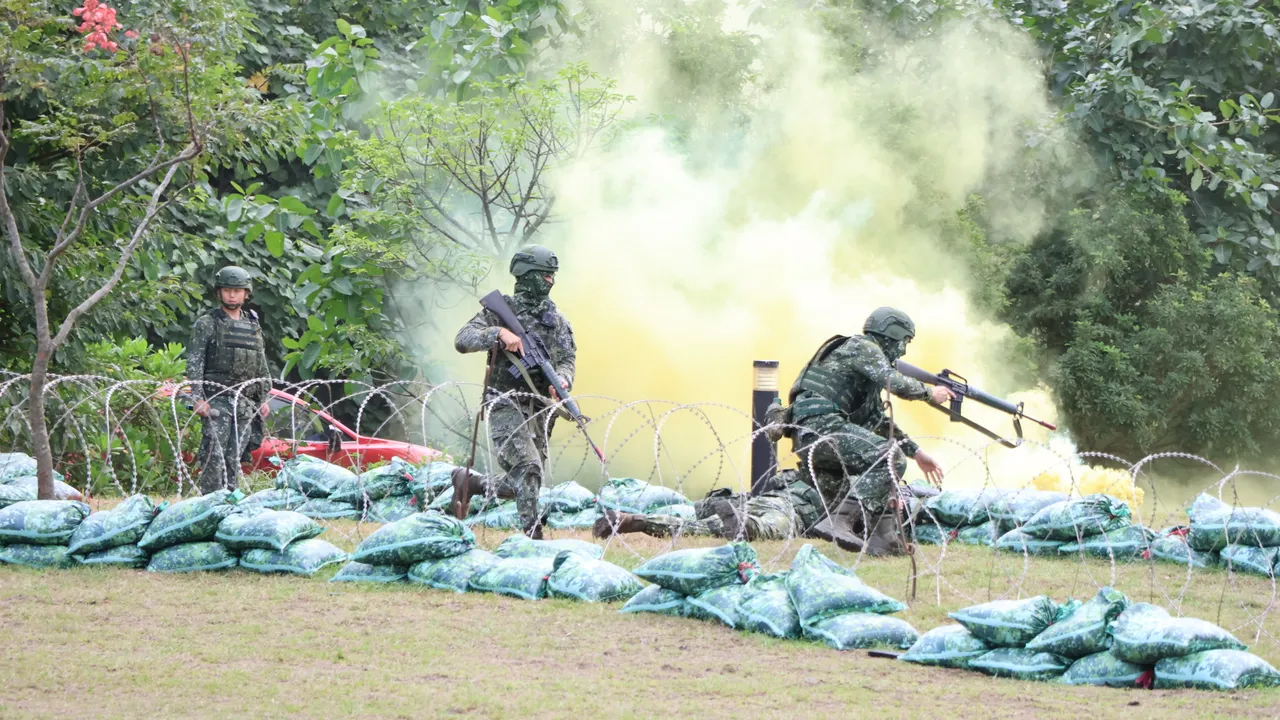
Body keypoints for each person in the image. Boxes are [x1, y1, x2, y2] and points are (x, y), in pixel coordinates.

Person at [782, 307, 953, 556]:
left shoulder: (862, 366)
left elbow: (876, 420)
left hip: (811, 436)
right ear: (892, 334)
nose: (904, 350)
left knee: (880, 476)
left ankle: (882, 540)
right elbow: (893, 381)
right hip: (824, 428)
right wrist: (930, 394)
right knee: (889, 458)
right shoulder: (863, 347)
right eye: (905, 341)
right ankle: (839, 521)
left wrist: (916, 453)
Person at [452, 245, 577, 539]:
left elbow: (567, 359)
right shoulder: (499, 312)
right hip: (504, 402)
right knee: (528, 469)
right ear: (526, 275)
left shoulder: (556, 320)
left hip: (539, 408)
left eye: (552, 275)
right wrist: (497, 334)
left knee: (525, 480)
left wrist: (562, 379)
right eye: (545, 275)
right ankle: (532, 538)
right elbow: (462, 339)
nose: (550, 281)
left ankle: (472, 484)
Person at [186, 266, 271, 494]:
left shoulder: (252, 324)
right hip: (217, 400)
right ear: (219, 292)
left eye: (237, 290)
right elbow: (195, 363)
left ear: (246, 293)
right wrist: (198, 398)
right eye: (227, 290)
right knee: (215, 455)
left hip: (244, 402)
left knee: (235, 457)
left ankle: (229, 501)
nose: (232, 295)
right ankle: (211, 501)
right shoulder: (207, 323)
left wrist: (263, 396)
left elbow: (260, 362)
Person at [592, 470, 826, 542]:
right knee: (770, 528)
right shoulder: (833, 486)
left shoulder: (800, 474)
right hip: (780, 507)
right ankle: (744, 526)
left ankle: (640, 521)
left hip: (760, 503)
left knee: (704, 527)